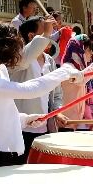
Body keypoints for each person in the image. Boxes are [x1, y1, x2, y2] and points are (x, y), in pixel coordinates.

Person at [0, 23, 83, 173]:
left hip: (6, 151)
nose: (18, 53)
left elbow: (0, 112)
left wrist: (25, 119)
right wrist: (64, 72)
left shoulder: (0, 69)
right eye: (15, 48)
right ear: (3, 48)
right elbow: (28, 89)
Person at [11, 17, 66, 162]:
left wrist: (58, 111)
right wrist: (46, 35)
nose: (50, 32)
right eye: (45, 28)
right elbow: (23, 61)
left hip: (45, 128)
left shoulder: (49, 60)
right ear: (31, 36)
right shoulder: (19, 57)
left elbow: (57, 92)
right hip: (23, 128)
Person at [59, 35, 93, 130]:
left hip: (81, 122)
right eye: (89, 50)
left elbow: (84, 98)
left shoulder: (82, 69)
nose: (91, 53)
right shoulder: (67, 67)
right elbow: (81, 79)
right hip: (69, 123)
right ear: (80, 50)